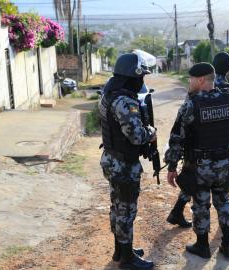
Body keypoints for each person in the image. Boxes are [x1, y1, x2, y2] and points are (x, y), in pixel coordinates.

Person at [165, 62, 229, 259]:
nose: (189, 82)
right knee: (224, 203)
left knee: (201, 205)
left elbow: (177, 138)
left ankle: (202, 246)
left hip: (200, 167)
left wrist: (172, 166)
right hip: (224, 164)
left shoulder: (191, 104)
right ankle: (228, 246)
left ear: (201, 80)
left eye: (191, 79)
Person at [99, 53, 155, 270]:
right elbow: (136, 136)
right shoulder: (125, 101)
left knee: (117, 207)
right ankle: (127, 260)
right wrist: (150, 131)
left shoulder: (109, 94)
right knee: (126, 211)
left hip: (112, 160)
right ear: (134, 76)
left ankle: (121, 250)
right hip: (123, 166)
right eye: (141, 76)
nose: (142, 81)